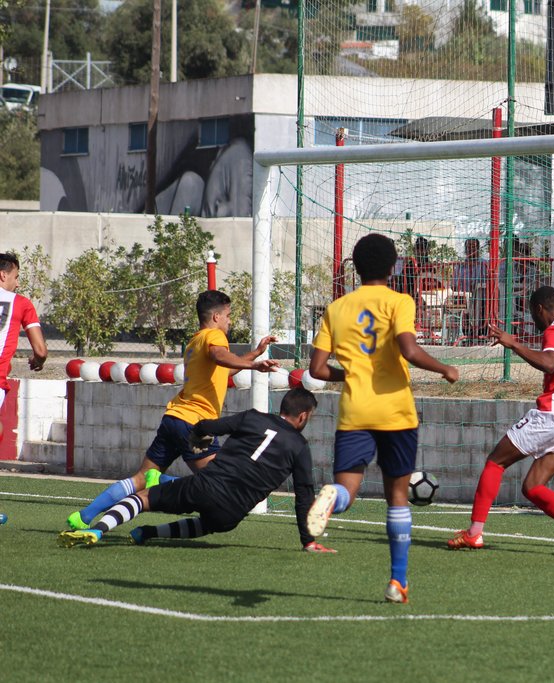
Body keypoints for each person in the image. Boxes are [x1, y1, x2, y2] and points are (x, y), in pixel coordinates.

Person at [304, 232, 459, 604]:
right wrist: (444, 369)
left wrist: (349, 374)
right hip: (395, 412)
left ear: (355, 269)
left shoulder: (336, 308)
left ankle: (332, 497)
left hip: (355, 412)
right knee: (398, 497)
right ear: (393, 267)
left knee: (347, 491)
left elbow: (317, 369)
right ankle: (397, 582)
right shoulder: (400, 301)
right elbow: (409, 350)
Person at [66, 289, 280, 530]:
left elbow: (224, 369)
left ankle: (83, 516)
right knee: (219, 482)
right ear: (216, 317)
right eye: (228, 316)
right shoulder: (215, 336)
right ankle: (163, 481)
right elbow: (219, 355)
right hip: (195, 424)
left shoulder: (195, 341)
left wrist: (255, 353)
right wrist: (255, 365)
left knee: (140, 478)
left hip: (174, 417)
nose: (230, 321)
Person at [59, 387, 333, 551]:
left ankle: (99, 529)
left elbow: (207, 425)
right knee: (207, 525)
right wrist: (307, 540)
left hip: (205, 486)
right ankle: (148, 533)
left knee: (143, 498)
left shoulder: (252, 417)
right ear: (303, 416)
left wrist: (198, 435)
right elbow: (304, 497)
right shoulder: (300, 447)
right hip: (233, 513)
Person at [448, 285, 554, 555]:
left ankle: (474, 533)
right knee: (533, 486)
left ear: (540, 309)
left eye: (532, 313)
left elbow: (550, 362)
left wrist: (513, 343)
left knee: (496, 461)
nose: (533, 319)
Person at [0, 252, 47, 444]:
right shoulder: (20, 303)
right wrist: (38, 361)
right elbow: (41, 351)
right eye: (16, 277)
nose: (18, 284)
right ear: (3, 275)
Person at [452, 238, 489, 339]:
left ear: (478, 248)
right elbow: (454, 285)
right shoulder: (460, 266)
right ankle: (463, 334)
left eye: (473, 247)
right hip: (464, 299)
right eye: (468, 247)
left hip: (481, 299)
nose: (470, 249)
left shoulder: (485, 264)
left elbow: (489, 282)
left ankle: (480, 334)